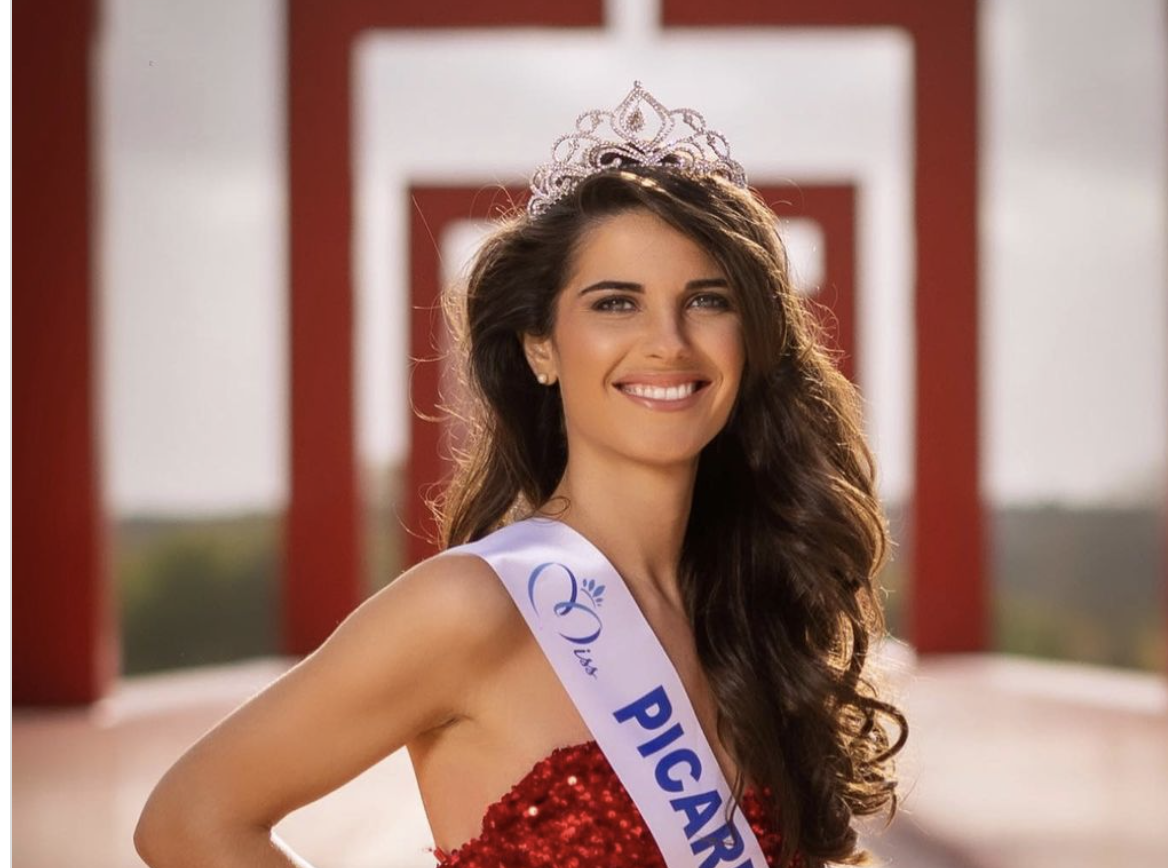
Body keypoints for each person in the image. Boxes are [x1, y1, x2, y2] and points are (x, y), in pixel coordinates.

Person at [134, 81, 907, 868]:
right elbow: (190, 821)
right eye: (616, 304)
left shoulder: (748, 612)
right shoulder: (475, 606)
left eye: (707, 300)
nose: (668, 342)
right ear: (541, 346)